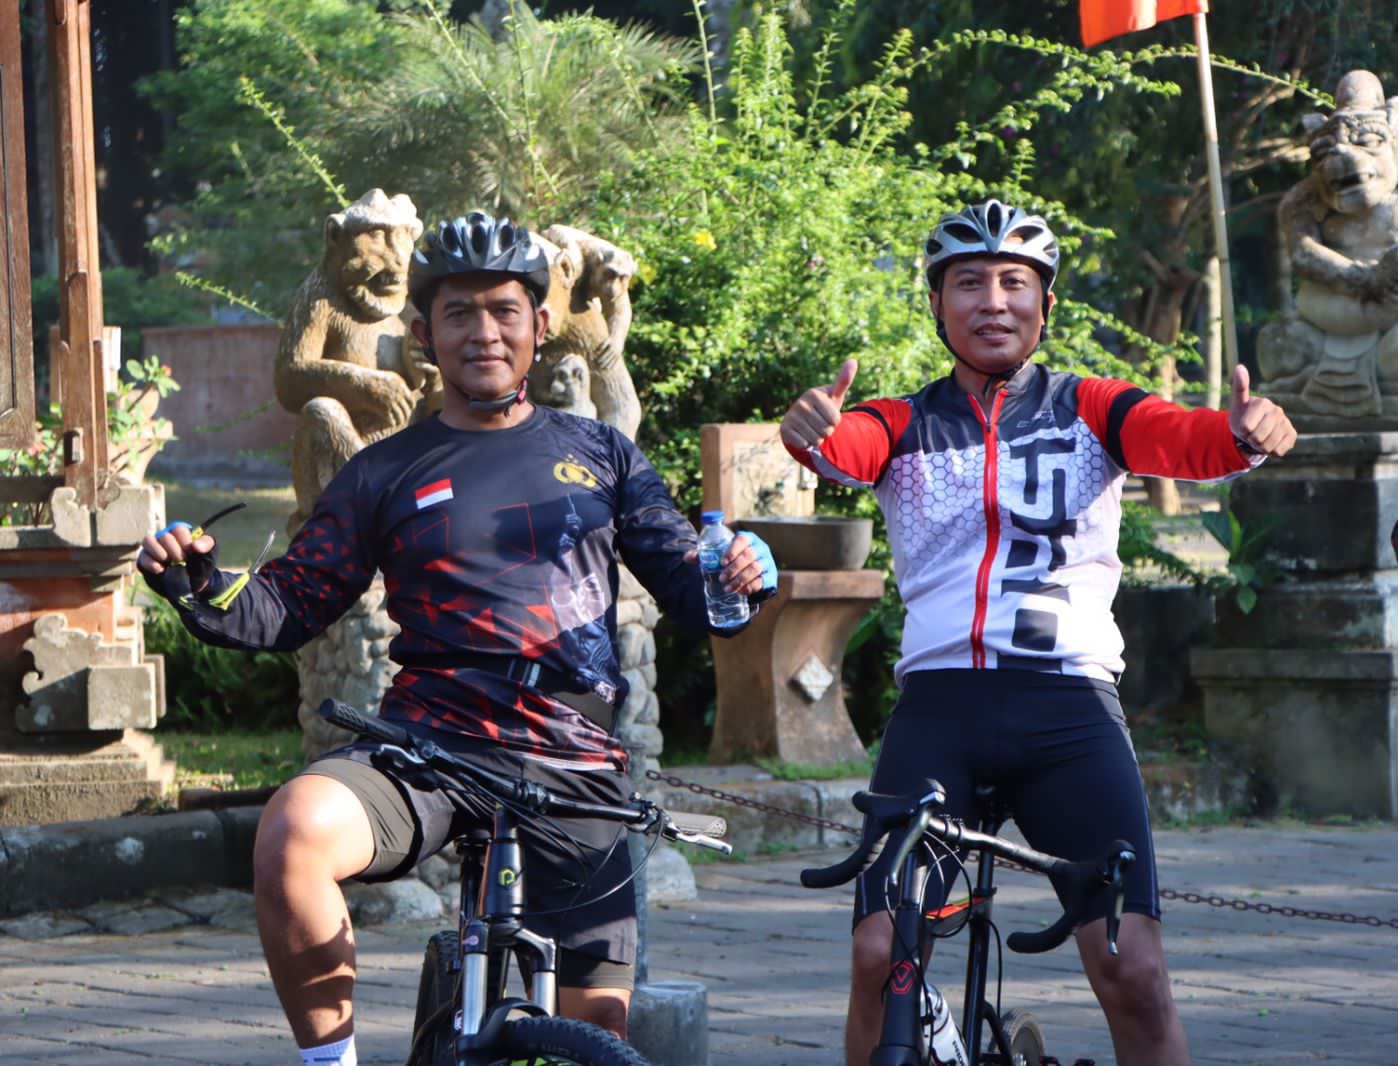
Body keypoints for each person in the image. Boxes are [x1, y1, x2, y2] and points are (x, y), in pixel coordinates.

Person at [138, 210, 777, 1066]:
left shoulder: (605, 456)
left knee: (596, 1041)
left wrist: (737, 578)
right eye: (459, 313)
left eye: (504, 310)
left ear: (539, 324)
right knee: (293, 831)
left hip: (572, 757)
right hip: (427, 748)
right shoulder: (383, 470)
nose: (484, 332)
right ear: (422, 334)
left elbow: (688, 587)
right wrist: (201, 583)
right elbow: (293, 601)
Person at [779, 199, 1296, 1066]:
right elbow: (845, 446)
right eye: (968, 283)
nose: (993, 301)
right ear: (937, 304)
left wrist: (1244, 434)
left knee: (1134, 970)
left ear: (1045, 305)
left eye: (1014, 282)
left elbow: (1185, 439)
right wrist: (813, 434)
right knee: (878, 954)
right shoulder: (902, 421)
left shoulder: (1093, 406)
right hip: (940, 714)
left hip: (1069, 713)